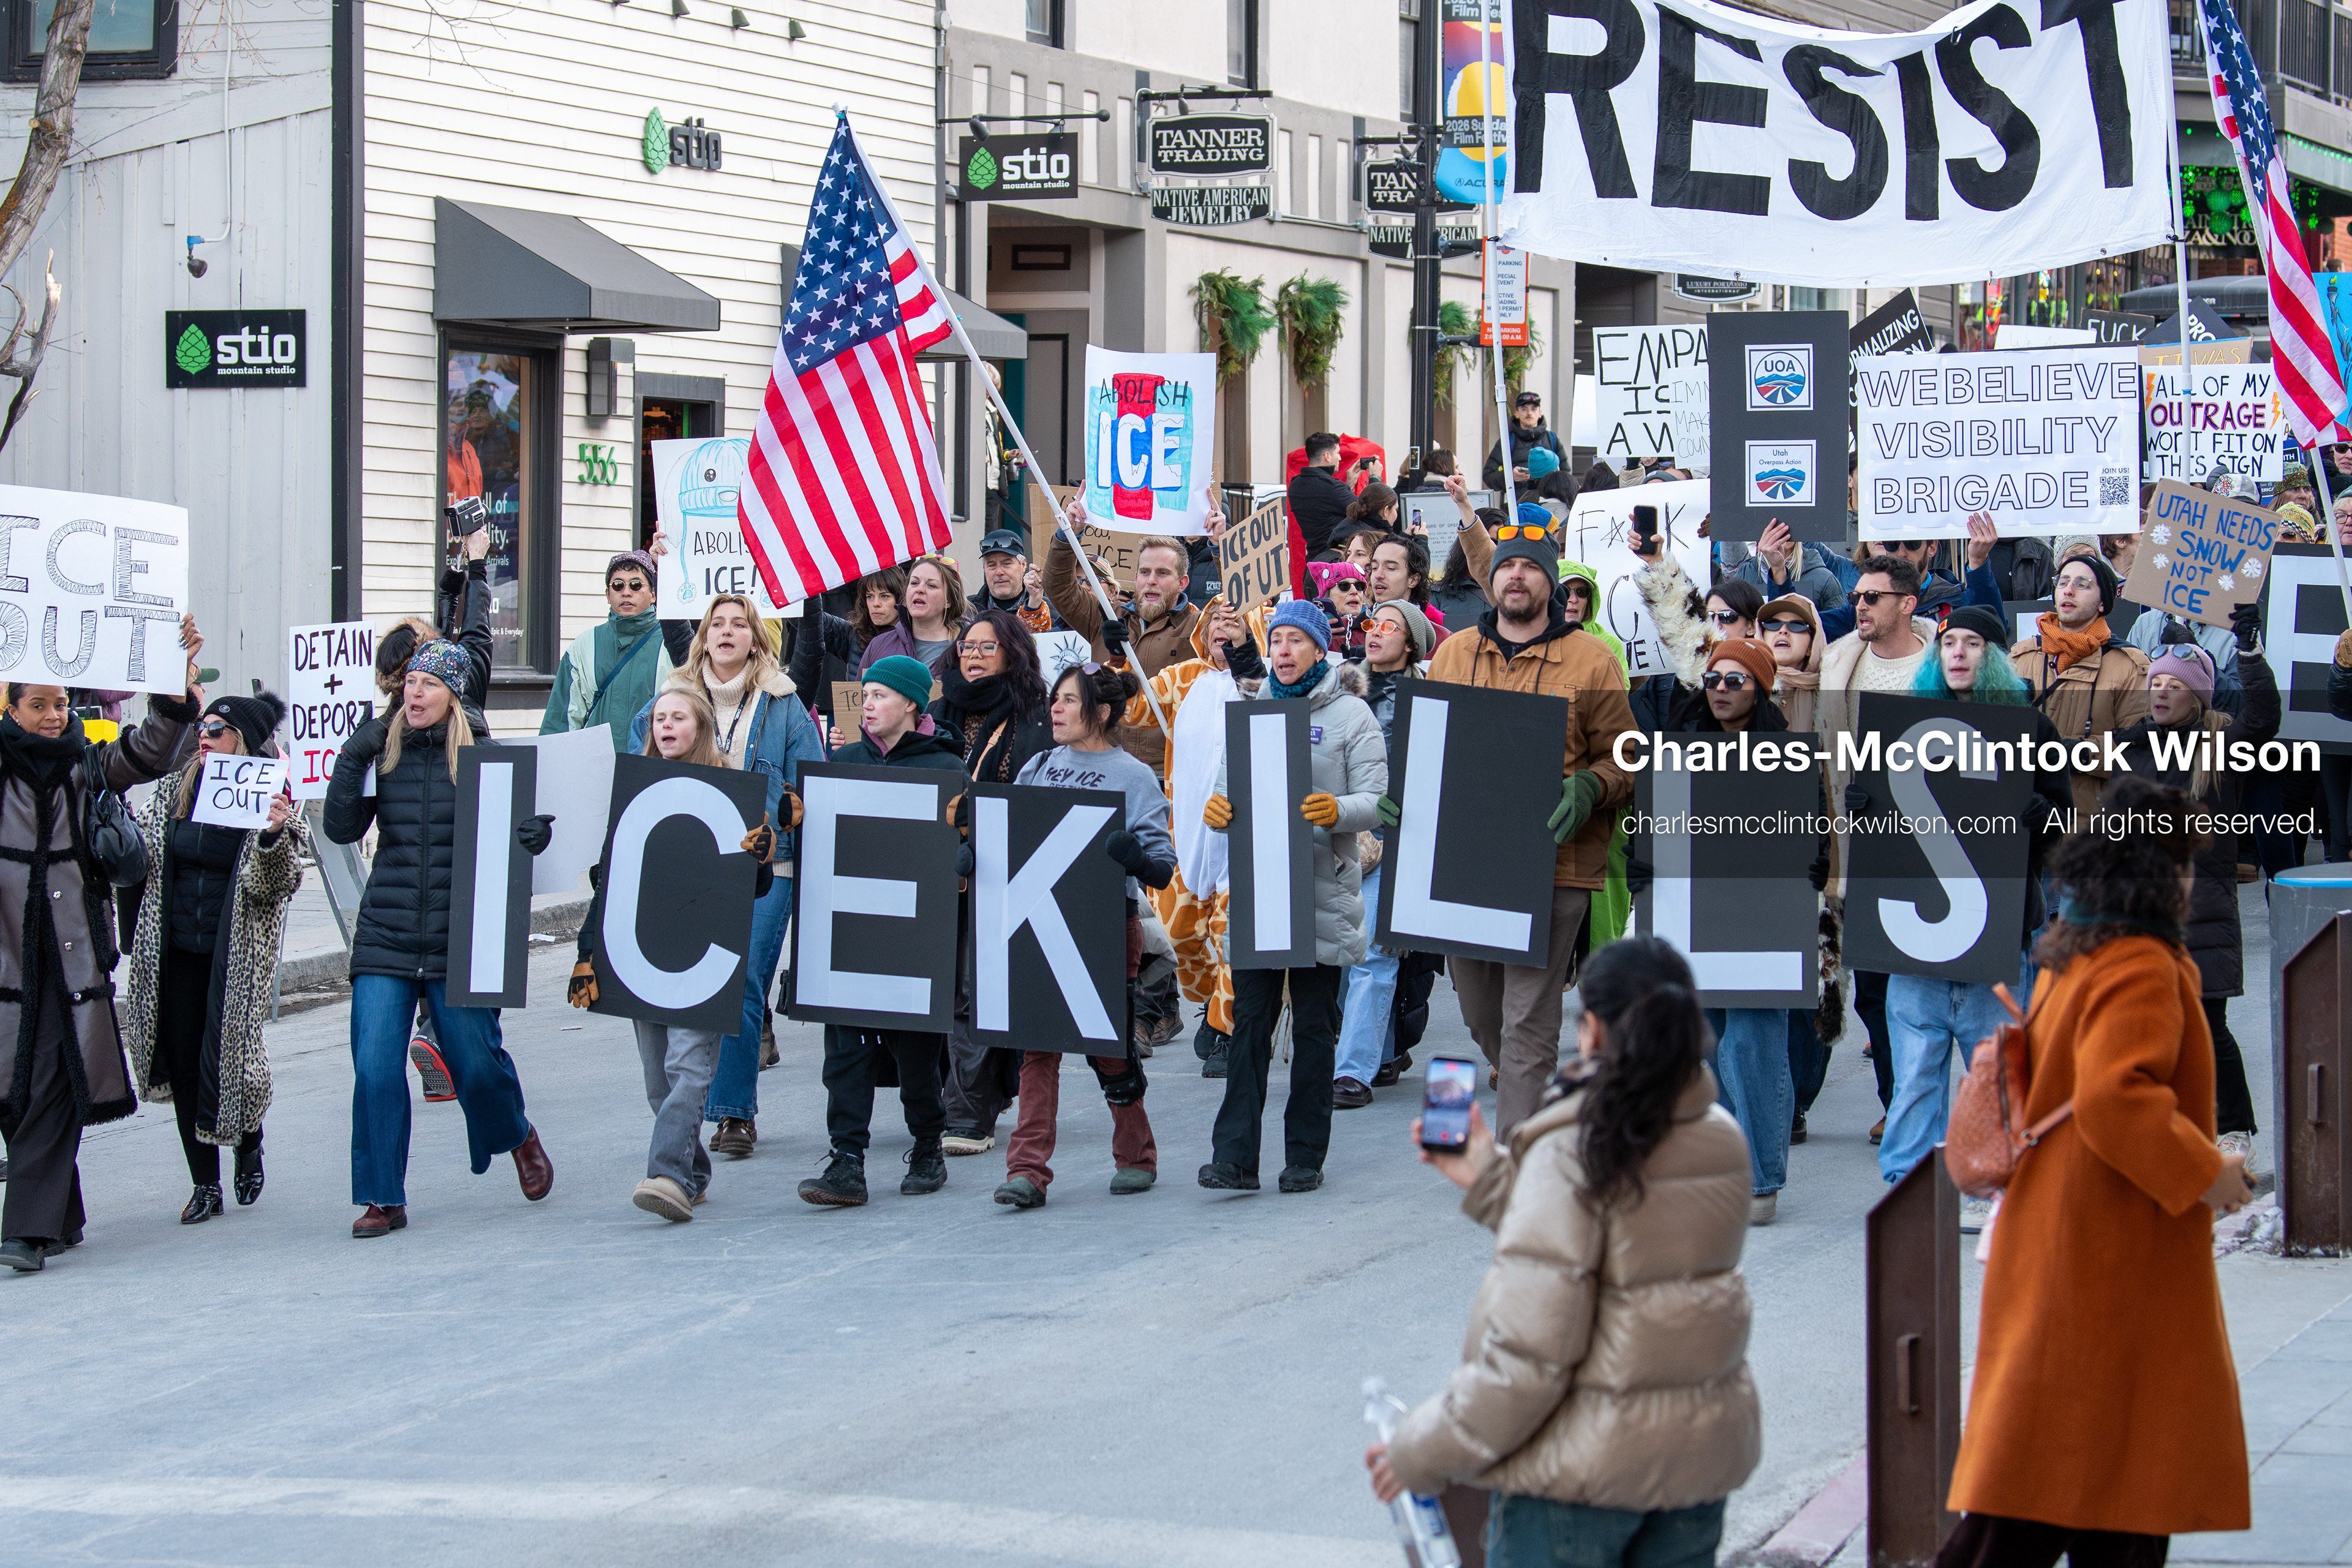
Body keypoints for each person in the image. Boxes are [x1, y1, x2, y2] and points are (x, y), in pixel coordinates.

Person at [1368, 936, 1761, 1566]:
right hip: (1695, 1472)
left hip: (1576, 1486)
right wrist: (1493, 1181)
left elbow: (1526, 1362)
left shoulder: (1575, 1146)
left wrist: (1416, 1451)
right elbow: (1617, 1251)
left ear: (1593, 1030)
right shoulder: (1721, 1139)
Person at [1940, 777, 2252, 1566]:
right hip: (2108, 1251)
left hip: (2062, 1232)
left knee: (2091, 1487)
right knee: (2068, 1486)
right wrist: (2208, 1170)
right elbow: (2117, 1096)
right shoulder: (2142, 960)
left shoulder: (2074, 945)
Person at [326, 640, 554, 1238]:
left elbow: (525, 846)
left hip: (464, 935)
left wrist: (530, 834)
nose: (415, 692)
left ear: (453, 693)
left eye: (429, 684)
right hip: (387, 932)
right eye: (410, 683)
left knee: (475, 1065)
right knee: (375, 1067)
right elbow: (340, 826)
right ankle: (383, 1196)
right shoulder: (383, 751)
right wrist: (353, 756)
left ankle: (516, 1134)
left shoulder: (486, 756)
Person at [0, 619, 206, 1273]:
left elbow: (152, 751)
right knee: (14, 1086)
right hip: (8, 959)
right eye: (38, 705)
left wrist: (174, 688)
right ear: (9, 707)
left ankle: (27, 1230)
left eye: (60, 704)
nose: (53, 716)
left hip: (73, 958)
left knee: (53, 1079)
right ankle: (61, 1214)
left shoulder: (85, 762)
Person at [1420, 516, 1637, 1136]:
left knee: (1528, 1017)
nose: (1517, 574)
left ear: (1552, 583)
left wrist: (1593, 784)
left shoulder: (1593, 660)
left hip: (1556, 866)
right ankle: (1527, 1082)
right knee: (1482, 1012)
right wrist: (1403, 797)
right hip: (1468, 866)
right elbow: (1432, 746)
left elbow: (1627, 756)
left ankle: (1521, 1155)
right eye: (1507, 565)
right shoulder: (1454, 653)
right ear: (1492, 579)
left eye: (1531, 566)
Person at [1875, 608, 2075, 1221]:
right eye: (1949, 643)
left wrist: (2035, 807)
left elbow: (2062, 823)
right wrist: (1867, 804)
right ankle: (1909, 1188)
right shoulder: (1902, 728)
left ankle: (1996, 1186)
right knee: (1915, 1076)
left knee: (1995, 1077)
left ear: (1992, 656)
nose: (1958, 652)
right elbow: (1883, 828)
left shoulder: (2028, 728)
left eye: (1973, 643)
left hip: (1996, 933)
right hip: (1916, 939)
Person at [625, 594, 823, 1161]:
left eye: (741, 624)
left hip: (768, 860)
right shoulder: (672, 699)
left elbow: (811, 780)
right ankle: (685, 1113)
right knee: (689, 988)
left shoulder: (784, 703)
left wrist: (791, 809)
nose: (728, 632)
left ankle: (733, 1112)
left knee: (741, 984)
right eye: (718, 624)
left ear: (757, 638)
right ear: (703, 635)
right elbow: (638, 764)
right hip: (690, 863)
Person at [1199, 601, 1387, 1193]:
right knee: (1250, 1023)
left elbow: (1378, 801)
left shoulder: (1352, 715)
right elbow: (1229, 794)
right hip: (1261, 891)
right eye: (1275, 639)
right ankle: (1233, 1158)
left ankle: (1304, 1155)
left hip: (1321, 890)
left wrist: (1338, 812)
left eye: (1293, 641)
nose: (1281, 650)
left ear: (1317, 649)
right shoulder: (1252, 712)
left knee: (1311, 1028)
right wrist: (1218, 813)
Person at [572, 687, 778, 1222]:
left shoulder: (733, 793)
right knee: (657, 1083)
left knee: (688, 1069)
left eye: (678, 717)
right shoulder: (634, 792)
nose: (666, 725)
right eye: (659, 718)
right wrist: (586, 955)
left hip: (702, 962)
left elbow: (749, 890)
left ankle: (666, 1174)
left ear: (701, 727)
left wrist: (759, 858)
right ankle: (694, 1171)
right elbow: (609, 882)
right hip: (644, 956)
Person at [992, 662, 1177, 1208]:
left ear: (1101, 712)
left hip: (1105, 925)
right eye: (1055, 698)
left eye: (1069, 701)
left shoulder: (1133, 775)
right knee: (1038, 1045)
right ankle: (1027, 1170)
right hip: (1039, 922)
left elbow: (1163, 868)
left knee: (1108, 1046)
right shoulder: (1038, 766)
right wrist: (979, 855)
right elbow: (1010, 835)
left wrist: (1134, 856)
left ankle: (1137, 1155)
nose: (1055, 709)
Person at [122, 693, 306, 1226]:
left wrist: (272, 838)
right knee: (184, 1066)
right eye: (202, 728)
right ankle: (205, 1184)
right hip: (176, 949)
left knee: (235, 1060)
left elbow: (279, 885)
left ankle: (249, 1140)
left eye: (219, 729)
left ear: (243, 742)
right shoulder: (171, 794)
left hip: (236, 955)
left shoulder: (270, 799)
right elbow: (143, 862)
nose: (205, 737)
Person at [797, 655, 968, 1208]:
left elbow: (968, 850)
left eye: (879, 695)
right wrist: (798, 819)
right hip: (849, 929)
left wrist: (964, 849)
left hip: (915, 938)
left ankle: (927, 1146)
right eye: (865, 694)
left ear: (912, 704)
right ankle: (846, 1159)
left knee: (917, 1055)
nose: (866, 704)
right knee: (844, 1051)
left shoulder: (947, 770)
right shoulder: (842, 762)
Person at [2109, 617, 2278, 1173]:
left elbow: (2265, 716)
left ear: (2197, 696)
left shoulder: (2224, 746)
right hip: (2142, 916)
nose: (2161, 691)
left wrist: (2249, 652)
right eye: (2156, 682)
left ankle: (2234, 1130)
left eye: (2175, 684)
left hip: (2201, 916)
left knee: (2208, 1027)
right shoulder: (2129, 750)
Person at [1116, 598, 1267, 1079]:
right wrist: (1120, 657)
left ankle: (1228, 1028)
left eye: (1235, 623)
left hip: (1245, 836)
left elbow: (1265, 695)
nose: (1223, 630)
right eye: (1215, 622)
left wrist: (1247, 650)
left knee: (1232, 939)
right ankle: (1210, 1004)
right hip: (1188, 836)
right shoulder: (1184, 678)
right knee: (1179, 935)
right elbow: (1134, 707)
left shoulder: (1266, 682)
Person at [935, 609, 1055, 1155]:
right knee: (949, 991)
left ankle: (968, 1113)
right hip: (940, 871)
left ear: (1012, 652)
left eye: (987, 646)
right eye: (967, 646)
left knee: (977, 989)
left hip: (1008, 870)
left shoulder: (1038, 713)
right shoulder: (935, 711)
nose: (975, 655)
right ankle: (964, 1098)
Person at [1333, 601, 1435, 1110]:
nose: (1375, 632)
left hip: (1398, 840)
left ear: (1412, 642)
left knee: (1375, 955)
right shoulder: (1335, 686)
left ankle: (1352, 1073)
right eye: (1371, 623)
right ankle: (1381, 1052)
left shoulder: (1433, 695)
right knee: (1341, 954)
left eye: (1389, 626)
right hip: (1335, 833)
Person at [1046, 497, 1218, 774]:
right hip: (1103, 767)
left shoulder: (1199, 626)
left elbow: (1239, 611)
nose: (1151, 580)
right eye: (1145, 572)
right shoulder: (1105, 616)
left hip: (1166, 773)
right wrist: (1069, 533)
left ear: (1182, 582)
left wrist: (1221, 548)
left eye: (1163, 573)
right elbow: (1058, 587)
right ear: (1135, 577)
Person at [2010, 552, 2150, 819]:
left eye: (2082, 583)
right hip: (2026, 822)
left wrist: (2075, 753)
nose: (2069, 590)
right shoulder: (2021, 656)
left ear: (2102, 603)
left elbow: (2139, 755)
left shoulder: (2131, 667)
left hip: (2091, 830)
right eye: (2062, 582)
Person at [540, 551, 676, 749]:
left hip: (652, 770)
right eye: (618, 585)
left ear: (654, 594)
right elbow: (560, 724)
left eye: (636, 585)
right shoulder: (583, 646)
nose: (627, 592)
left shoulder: (673, 644)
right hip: (594, 771)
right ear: (608, 594)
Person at [973, 527, 1055, 635]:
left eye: (1007, 564)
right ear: (984, 568)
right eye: (992, 565)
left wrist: (1035, 605)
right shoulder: (966, 611)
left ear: (1023, 565)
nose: (999, 572)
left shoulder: (1052, 611)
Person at [1482, 389, 1566, 493]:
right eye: (1524, 409)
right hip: (1517, 506)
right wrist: (1510, 476)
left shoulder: (1552, 439)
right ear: (1517, 413)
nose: (1529, 413)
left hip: (1548, 504)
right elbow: (1488, 476)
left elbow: (1566, 474)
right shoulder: (1507, 441)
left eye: (1534, 409)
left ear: (1540, 413)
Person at [1288, 431, 1357, 557]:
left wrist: (1348, 486)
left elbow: (1326, 505)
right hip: (1334, 562)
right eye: (1338, 453)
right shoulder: (1331, 487)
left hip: (1313, 559)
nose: (1340, 458)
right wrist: (1375, 478)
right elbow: (1366, 509)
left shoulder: (1295, 485)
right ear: (1327, 456)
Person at [900, 554, 970, 674]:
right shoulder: (880, 644)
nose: (919, 590)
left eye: (931, 585)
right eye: (915, 583)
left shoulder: (971, 647)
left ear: (948, 601)